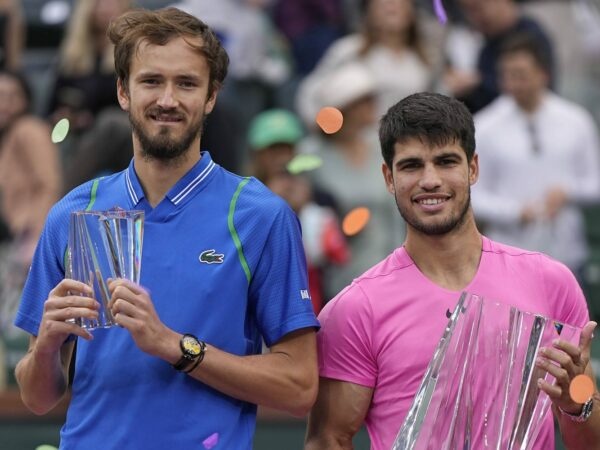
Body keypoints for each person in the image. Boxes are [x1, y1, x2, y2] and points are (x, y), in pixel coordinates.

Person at [13, 8, 319, 449]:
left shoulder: (259, 216)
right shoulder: (73, 212)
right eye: (151, 81)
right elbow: (37, 398)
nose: (168, 99)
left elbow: (299, 387)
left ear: (211, 96)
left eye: (187, 83)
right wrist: (44, 348)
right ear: (123, 91)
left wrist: (174, 346)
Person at [304, 92, 599, 450]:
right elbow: (328, 439)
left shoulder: (551, 282)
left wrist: (576, 404)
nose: (430, 180)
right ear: (388, 177)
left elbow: (588, 436)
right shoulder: (354, 309)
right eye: (412, 166)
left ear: (473, 168)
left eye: (446, 162)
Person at [471, 33, 600, 281]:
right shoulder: (485, 126)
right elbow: (473, 194)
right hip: (508, 257)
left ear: (543, 74)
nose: (513, 84)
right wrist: (516, 211)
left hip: (568, 256)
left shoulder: (576, 120)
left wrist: (567, 192)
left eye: (520, 74)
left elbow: (595, 183)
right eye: (506, 75)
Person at [0, 69, 62, 332]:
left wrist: (35, 241)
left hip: (23, 243)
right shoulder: (7, 137)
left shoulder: (29, 130)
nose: (4, 103)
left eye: (11, 96)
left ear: (25, 101)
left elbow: (49, 183)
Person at [447, 0, 555, 114]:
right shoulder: (487, 46)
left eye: (477, 8)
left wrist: (478, 83)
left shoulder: (531, 36)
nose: (474, 17)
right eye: (468, 11)